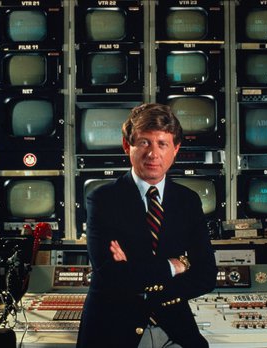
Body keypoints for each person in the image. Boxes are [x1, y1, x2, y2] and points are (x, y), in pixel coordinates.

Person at [76, 103, 218, 348]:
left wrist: (135, 273)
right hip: (112, 328)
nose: (153, 154)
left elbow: (206, 275)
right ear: (126, 146)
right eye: (144, 142)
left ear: (175, 149)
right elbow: (110, 274)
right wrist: (177, 265)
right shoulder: (102, 199)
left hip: (173, 325)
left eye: (162, 144)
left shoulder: (188, 201)